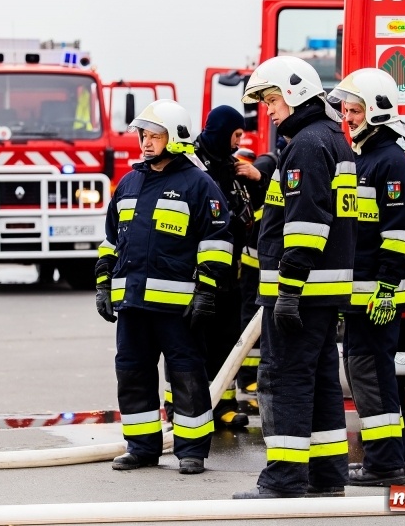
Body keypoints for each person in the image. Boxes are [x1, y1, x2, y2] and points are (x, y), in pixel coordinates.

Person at [231, 56, 358, 499]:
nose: (267, 108)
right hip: (323, 292)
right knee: (320, 380)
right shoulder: (333, 141)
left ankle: (284, 481)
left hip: (300, 293)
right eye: (264, 100)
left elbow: (306, 223)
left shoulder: (306, 145)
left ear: (296, 92)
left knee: (286, 379)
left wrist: (288, 287)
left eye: (271, 98)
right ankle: (326, 476)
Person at [95, 99, 234, 475]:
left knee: (187, 376)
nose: (146, 142)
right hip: (133, 304)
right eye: (143, 135)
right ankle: (141, 447)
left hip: (179, 308)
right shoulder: (129, 182)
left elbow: (218, 241)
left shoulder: (198, 184)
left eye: (155, 135)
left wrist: (206, 291)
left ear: (176, 138)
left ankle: (191, 452)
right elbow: (111, 241)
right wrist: (103, 283)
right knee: (132, 373)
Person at [329, 68, 405, 486]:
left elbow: (404, 233)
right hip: (362, 295)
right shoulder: (365, 158)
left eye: (355, 110)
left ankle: (385, 464)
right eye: (346, 109)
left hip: (377, 296)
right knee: (367, 374)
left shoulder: (391, 162)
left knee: (371, 375)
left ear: (378, 111)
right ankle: (390, 460)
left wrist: (386, 287)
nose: (347, 117)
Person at [163, 105, 267, 430]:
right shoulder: (192, 165)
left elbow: (258, 205)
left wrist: (257, 177)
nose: (239, 142)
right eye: (236, 135)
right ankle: (180, 410)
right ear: (223, 132)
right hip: (196, 276)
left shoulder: (232, 167)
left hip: (229, 274)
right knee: (191, 345)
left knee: (225, 342)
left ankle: (221, 406)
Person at [236, 139, 285, 398]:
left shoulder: (276, 165)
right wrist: (259, 175)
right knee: (251, 316)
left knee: (259, 316)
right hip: (255, 261)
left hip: (264, 259)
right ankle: (247, 378)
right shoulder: (270, 164)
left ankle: (251, 377)